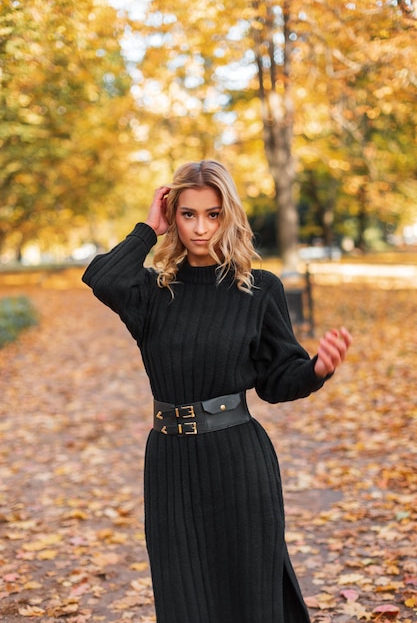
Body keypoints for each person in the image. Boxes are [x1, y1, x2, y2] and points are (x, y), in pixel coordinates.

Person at [82, 160, 352, 623]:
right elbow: (103, 277)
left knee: (251, 594)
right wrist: (149, 227)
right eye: (188, 214)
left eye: (213, 214)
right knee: (183, 596)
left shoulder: (258, 288)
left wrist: (316, 369)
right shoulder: (152, 293)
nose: (201, 228)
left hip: (238, 461)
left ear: (230, 216)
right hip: (170, 464)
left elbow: (276, 380)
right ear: (174, 216)